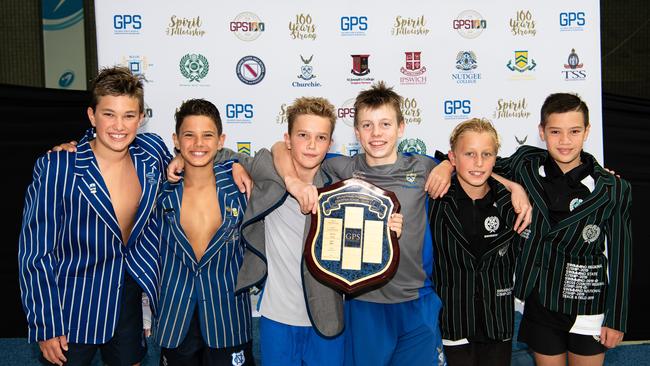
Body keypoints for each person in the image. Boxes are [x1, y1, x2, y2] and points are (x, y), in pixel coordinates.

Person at [272, 82, 531, 366]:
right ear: (356, 132)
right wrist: (293, 181)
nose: (376, 133)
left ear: (401, 128)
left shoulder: (424, 168)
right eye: (367, 126)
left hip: (416, 301)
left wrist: (512, 186)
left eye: (385, 124)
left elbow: (474, 167)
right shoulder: (340, 168)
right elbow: (278, 151)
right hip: (365, 303)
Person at [166, 97, 403, 366]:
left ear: (330, 143)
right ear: (288, 139)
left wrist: (387, 230)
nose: (312, 145)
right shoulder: (268, 171)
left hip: (326, 319)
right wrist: (180, 160)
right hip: (276, 319)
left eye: (321, 137)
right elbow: (213, 152)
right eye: (302, 135)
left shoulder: (341, 186)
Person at [433, 93, 632, 366]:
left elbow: (622, 257)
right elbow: (480, 165)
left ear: (587, 131)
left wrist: (617, 318)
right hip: (540, 302)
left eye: (574, 131)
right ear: (541, 132)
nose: (565, 141)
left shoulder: (613, 188)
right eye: (555, 131)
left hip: (588, 304)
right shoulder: (525, 163)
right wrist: (446, 165)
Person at [18, 66, 172, 366]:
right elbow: (35, 253)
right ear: (92, 116)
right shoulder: (58, 167)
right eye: (109, 114)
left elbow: (193, 164)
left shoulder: (152, 152)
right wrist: (46, 324)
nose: (119, 125)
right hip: (71, 306)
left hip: (128, 299)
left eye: (129, 115)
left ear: (141, 118)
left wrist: (234, 165)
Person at [143, 99, 255, 365]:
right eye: (189, 135)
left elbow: (278, 160)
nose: (198, 144)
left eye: (207, 135)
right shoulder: (160, 189)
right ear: (176, 140)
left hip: (228, 316)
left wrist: (236, 161)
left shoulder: (240, 187)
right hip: (175, 315)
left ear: (221, 140)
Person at [429, 118, 524, 365]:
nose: (479, 162)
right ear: (453, 157)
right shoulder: (435, 201)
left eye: (486, 154)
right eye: (469, 154)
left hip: (497, 322)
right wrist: (442, 167)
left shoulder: (511, 203)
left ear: (496, 158)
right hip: (452, 321)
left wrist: (515, 187)